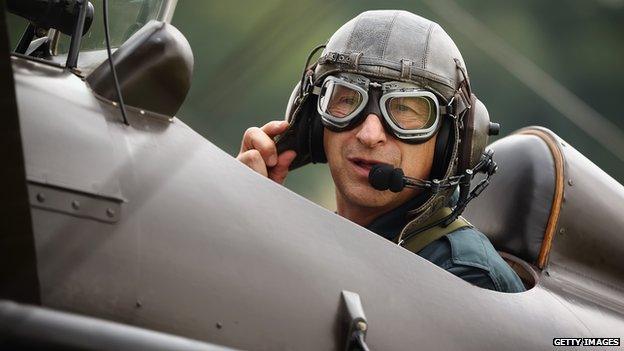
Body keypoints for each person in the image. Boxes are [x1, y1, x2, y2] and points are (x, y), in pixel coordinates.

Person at [236, 10, 525, 293]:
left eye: (403, 109)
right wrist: (252, 212)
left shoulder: (465, 278)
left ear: (448, 142)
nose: (369, 135)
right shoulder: (334, 238)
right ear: (313, 119)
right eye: (348, 99)